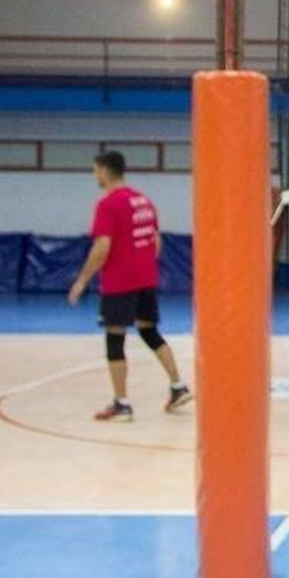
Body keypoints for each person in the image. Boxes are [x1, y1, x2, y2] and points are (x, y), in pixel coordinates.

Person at [67, 150, 192, 421]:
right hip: (146, 279)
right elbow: (156, 242)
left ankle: (121, 404)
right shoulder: (143, 201)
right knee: (149, 332)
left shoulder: (108, 204)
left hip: (119, 282)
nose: (94, 176)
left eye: (95, 170)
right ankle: (178, 386)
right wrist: (141, 263)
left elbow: (102, 246)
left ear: (103, 171)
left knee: (115, 338)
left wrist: (82, 279)